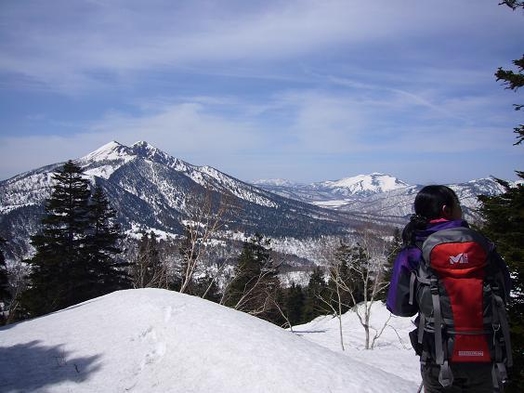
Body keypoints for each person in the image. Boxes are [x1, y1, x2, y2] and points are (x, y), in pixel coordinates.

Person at [387, 185, 511, 393]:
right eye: (459, 205)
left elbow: (400, 307)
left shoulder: (414, 252)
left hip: (438, 354)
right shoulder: (481, 246)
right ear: (447, 210)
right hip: (487, 352)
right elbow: (504, 291)